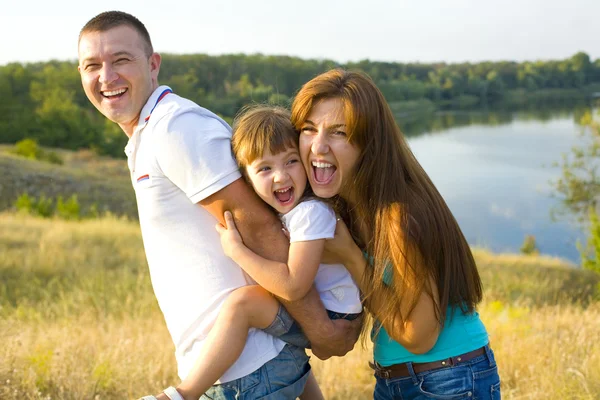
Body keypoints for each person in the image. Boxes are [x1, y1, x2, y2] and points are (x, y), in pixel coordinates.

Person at [77, 11, 360, 400]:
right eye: (92, 65)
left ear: (153, 64)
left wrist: (322, 329)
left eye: (121, 60)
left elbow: (259, 226)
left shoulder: (175, 126)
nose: (106, 76)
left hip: (245, 373)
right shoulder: (149, 134)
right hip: (243, 365)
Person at [290, 69, 502, 399]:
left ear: (368, 144)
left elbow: (419, 337)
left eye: (339, 132)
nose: (318, 145)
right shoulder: (348, 207)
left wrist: (351, 256)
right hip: (400, 380)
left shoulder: (400, 216)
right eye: (308, 129)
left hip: (448, 379)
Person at [172, 105, 363, 399]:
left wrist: (236, 250)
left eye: (291, 161)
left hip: (334, 316)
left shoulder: (309, 213)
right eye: (265, 168)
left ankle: (184, 394)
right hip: (324, 308)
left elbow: (293, 285)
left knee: (243, 304)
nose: (280, 177)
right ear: (246, 179)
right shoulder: (290, 212)